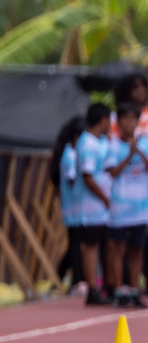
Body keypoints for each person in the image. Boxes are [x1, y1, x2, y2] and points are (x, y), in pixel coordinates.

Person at [104, 104, 148, 307]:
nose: (129, 123)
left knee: (137, 249)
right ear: (119, 122)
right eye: (124, 119)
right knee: (118, 249)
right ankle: (119, 290)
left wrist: (139, 151)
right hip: (120, 207)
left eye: (133, 119)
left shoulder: (147, 144)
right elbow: (112, 172)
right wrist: (128, 155)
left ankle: (134, 289)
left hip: (141, 207)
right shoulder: (113, 146)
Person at [75, 104, 115, 306]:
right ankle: (91, 287)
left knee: (105, 244)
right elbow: (88, 176)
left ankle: (106, 284)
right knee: (91, 246)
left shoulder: (100, 142)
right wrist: (104, 197)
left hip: (102, 207)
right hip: (91, 206)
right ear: (103, 120)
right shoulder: (87, 143)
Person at [51, 116, 87, 294]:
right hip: (75, 206)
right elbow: (74, 180)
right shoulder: (71, 155)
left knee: (76, 243)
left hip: (78, 207)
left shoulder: (71, 152)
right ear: (76, 138)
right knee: (75, 243)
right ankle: (77, 281)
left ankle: (61, 279)